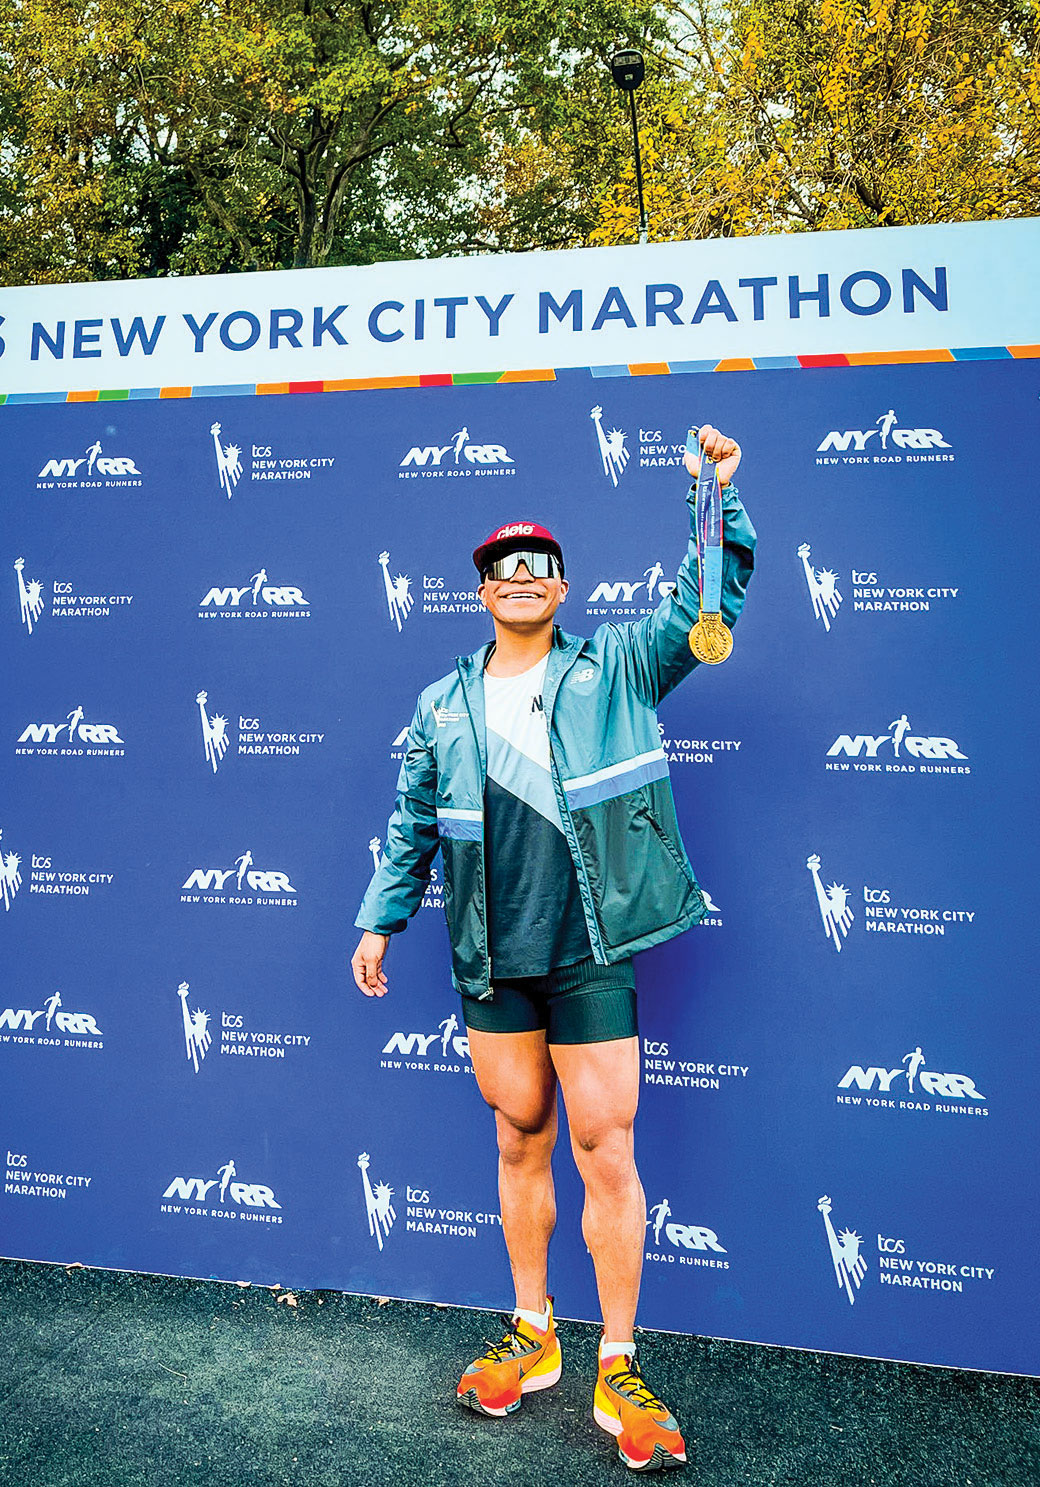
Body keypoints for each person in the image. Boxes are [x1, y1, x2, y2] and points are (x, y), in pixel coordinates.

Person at [352, 425, 756, 1472]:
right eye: (502, 567)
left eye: (538, 566)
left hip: (590, 948)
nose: (521, 578)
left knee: (601, 1146)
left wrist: (712, 498)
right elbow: (409, 821)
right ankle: (531, 1334)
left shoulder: (619, 662)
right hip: (488, 951)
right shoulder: (442, 701)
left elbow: (702, 612)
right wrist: (379, 912)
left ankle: (616, 1362)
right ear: (480, 591)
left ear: (563, 587)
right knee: (518, 1134)